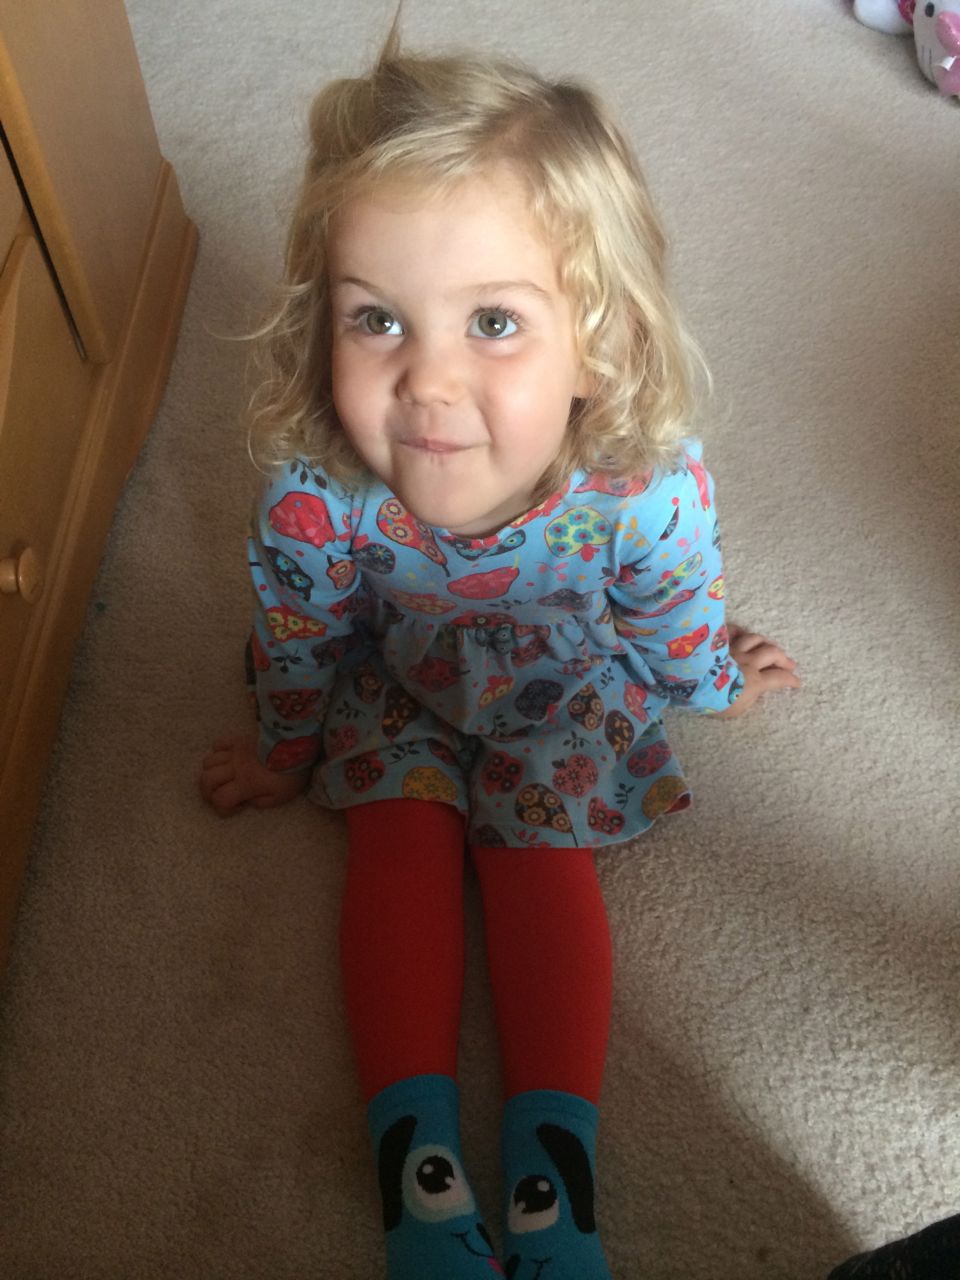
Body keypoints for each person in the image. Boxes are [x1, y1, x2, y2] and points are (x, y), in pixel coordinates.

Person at [199, 24, 800, 1280]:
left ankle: (553, 1182)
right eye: (377, 318)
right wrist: (286, 748)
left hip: (563, 684)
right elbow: (301, 629)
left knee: (540, 855)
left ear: (600, 343)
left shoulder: (641, 482)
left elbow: (674, 602)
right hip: (393, 680)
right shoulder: (317, 488)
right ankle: (414, 1174)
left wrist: (712, 679)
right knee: (397, 844)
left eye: (492, 321)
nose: (427, 380)